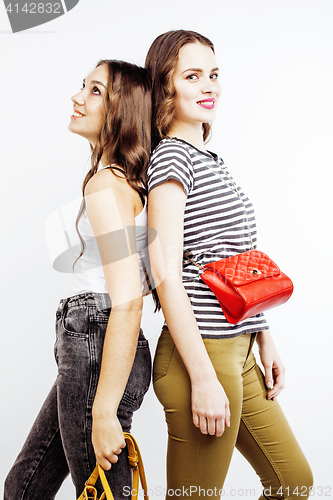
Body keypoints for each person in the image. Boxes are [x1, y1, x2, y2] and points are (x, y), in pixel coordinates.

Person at [145, 30, 313, 499]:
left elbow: (236, 264)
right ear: (166, 87)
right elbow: (165, 275)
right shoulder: (173, 160)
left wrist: (263, 335)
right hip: (200, 354)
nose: (209, 87)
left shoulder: (209, 159)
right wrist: (201, 376)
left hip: (237, 350)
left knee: (293, 482)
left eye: (214, 75)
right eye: (192, 76)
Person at [4, 59, 155, 499]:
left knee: (102, 493)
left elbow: (128, 301)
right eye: (83, 86)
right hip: (99, 344)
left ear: (121, 110)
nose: (77, 97)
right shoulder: (125, 182)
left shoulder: (106, 185)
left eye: (95, 91)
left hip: (97, 342)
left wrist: (104, 411)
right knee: (24, 485)